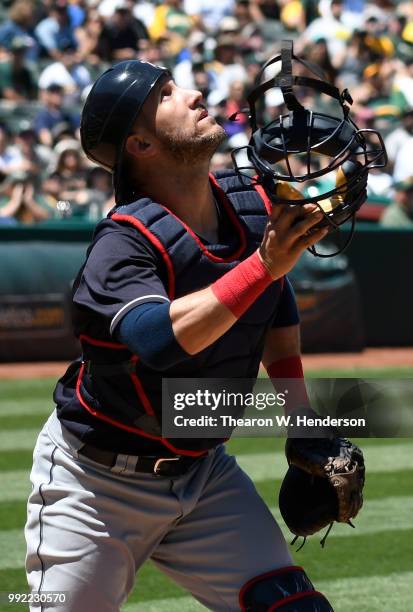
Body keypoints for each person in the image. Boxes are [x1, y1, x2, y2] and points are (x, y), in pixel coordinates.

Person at [25, 60, 336, 612]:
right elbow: (162, 340)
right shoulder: (122, 244)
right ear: (140, 143)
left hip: (204, 473)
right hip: (97, 486)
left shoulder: (244, 204)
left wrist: (303, 426)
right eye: (168, 94)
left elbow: (275, 314)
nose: (195, 94)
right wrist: (263, 265)